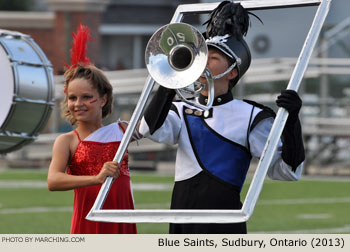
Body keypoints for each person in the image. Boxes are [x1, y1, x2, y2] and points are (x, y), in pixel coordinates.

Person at [139, 2, 305, 234]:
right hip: (180, 224)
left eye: (212, 58)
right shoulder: (181, 108)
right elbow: (148, 129)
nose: (202, 62)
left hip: (225, 227)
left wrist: (292, 122)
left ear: (233, 71)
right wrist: (168, 86)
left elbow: (287, 171)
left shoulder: (251, 116)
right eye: (202, 56)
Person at [47, 24, 137, 234]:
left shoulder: (123, 131)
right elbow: (53, 180)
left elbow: (154, 121)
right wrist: (96, 178)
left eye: (87, 97)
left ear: (103, 99)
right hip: (88, 222)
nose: (78, 103)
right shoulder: (67, 141)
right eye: (72, 98)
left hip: (121, 221)